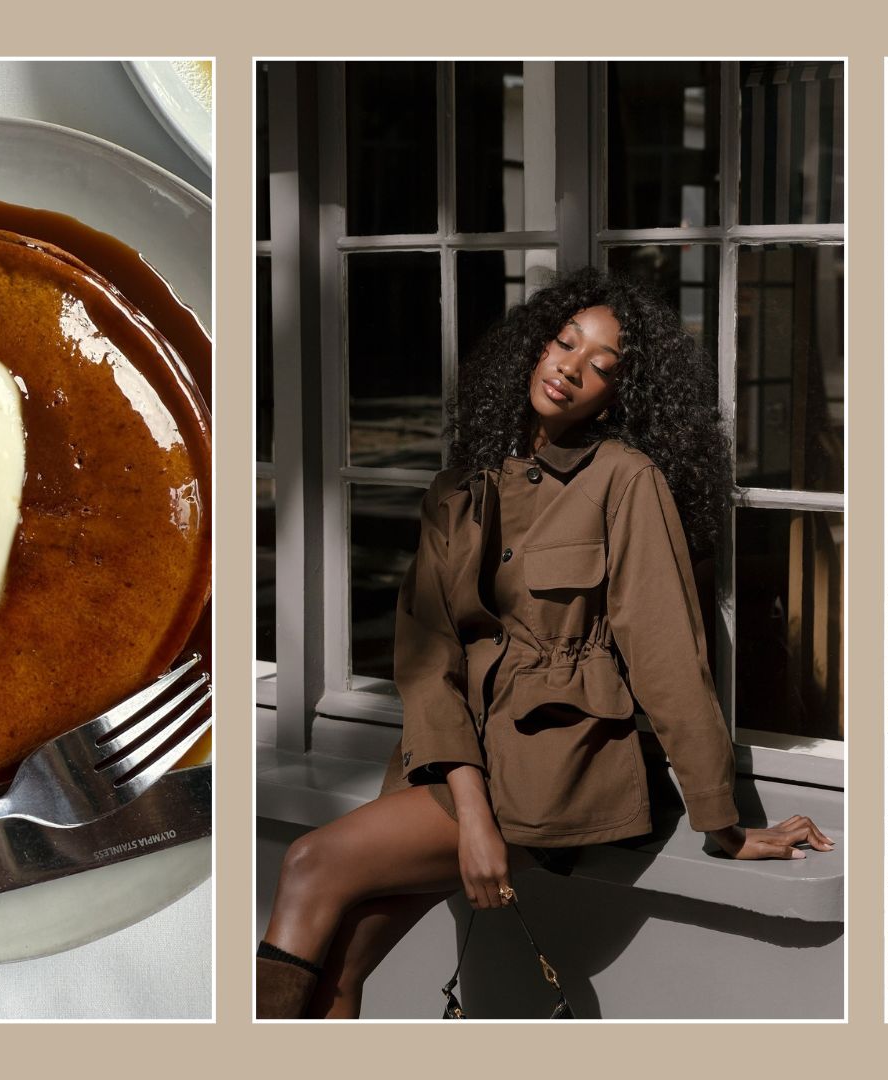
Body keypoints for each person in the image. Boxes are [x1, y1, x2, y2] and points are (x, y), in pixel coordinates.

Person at [256, 266, 835, 1019]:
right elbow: (426, 663)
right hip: (452, 766)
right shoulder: (457, 489)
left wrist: (722, 824)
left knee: (309, 864)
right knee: (341, 967)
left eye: (602, 366)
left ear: (618, 396)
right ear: (534, 347)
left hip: (554, 771)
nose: (571, 368)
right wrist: (471, 815)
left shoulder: (625, 480)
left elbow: (668, 659)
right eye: (564, 343)